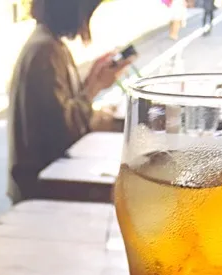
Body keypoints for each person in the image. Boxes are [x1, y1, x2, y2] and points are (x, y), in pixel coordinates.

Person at [7, 0, 133, 203]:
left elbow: (61, 109)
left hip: (43, 185)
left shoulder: (48, 44)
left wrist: (93, 80)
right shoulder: (45, 51)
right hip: (44, 191)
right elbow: (64, 129)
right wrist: (94, 86)